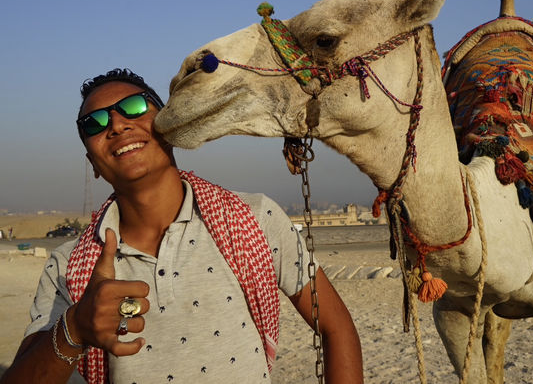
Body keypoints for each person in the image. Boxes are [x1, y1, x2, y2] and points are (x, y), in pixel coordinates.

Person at [2, 68, 363, 383]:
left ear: (170, 126)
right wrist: (75, 328)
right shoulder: (69, 267)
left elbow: (336, 327)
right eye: (94, 123)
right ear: (93, 163)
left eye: (133, 107)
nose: (116, 124)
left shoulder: (253, 219)